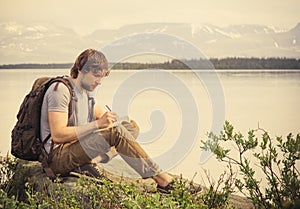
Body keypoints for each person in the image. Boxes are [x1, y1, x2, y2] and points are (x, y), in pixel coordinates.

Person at [40, 48, 176, 193]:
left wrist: (112, 120)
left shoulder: (86, 93)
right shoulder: (60, 90)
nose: (99, 82)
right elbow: (58, 135)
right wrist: (98, 125)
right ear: (80, 69)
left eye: (102, 77)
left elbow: (103, 117)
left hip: (76, 149)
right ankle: (164, 181)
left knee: (130, 127)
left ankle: (94, 161)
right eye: (96, 76)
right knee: (117, 133)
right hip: (57, 158)